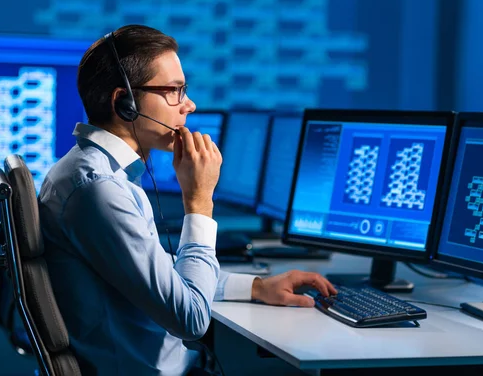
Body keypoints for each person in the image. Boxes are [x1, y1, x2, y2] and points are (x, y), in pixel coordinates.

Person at [38, 24, 336, 376]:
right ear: (126, 103)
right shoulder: (98, 189)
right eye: (175, 91)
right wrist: (199, 200)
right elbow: (191, 319)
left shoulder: (96, 174)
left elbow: (165, 277)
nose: (190, 106)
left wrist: (256, 286)